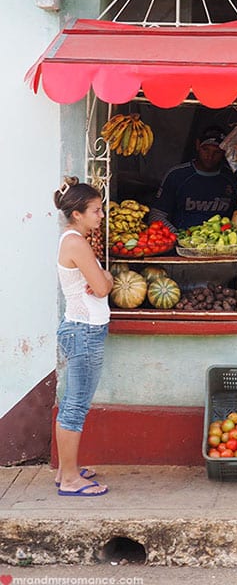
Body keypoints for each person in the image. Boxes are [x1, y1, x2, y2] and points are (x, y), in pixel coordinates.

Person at [53, 176, 113, 497]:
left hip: (80, 328)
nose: (101, 216)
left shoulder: (74, 239)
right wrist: (106, 277)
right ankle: (71, 480)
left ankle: (66, 470)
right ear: (77, 214)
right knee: (75, 406)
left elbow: (101, 281)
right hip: (84, 330)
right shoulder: (76, 242)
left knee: (71, 403)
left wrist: (104, 276)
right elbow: (102, 287)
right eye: (96, 210)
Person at [149, 125, 237, 232]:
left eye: (217, 152)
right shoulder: (177, 175)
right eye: (205, 150)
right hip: (180, 242)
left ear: (225, 151)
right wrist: (177, 236)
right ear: (197, 145)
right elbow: (156, 215)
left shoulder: (231, 177)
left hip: (222, 244)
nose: (210, 156)